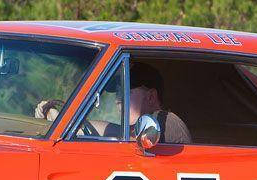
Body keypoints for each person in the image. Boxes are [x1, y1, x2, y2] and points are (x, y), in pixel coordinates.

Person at [35, 60, 191, 143]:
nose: (118, 99)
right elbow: (116, 132)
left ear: (150, 97)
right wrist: (67, 123)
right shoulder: (132, 130)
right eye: (117, 92)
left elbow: (129, 139)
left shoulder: (167, 121)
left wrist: (68, 125)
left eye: (125, 92)